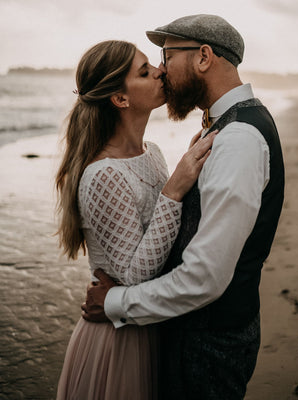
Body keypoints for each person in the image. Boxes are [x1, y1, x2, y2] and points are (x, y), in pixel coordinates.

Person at [82, 14, 285, 400]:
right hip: (192, 332)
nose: (162, 69)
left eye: (167, 54)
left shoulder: (238, 139)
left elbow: (204, 277)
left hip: (208, 342)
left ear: (203, 57)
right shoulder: (223, 127)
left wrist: (115, 301)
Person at [55, 39, 216, 400]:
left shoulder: (152, 153)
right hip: (117, 338)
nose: (161, 70)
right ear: (120, 99)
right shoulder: (104, 174)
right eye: (145, 71)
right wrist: (174, 190)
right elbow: (133, 275)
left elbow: (164, 233)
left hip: (144, 321)